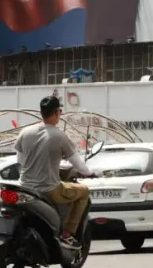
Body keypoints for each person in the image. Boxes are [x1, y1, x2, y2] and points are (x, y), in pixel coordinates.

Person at [14, 95, 94, 250]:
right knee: (83, 191)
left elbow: (20, 161)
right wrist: (89, 173)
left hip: (25, 188)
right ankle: (67, 234)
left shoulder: (25, 132)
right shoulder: (59, 136)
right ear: (57, 112)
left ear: (41, 112)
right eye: (60, 111)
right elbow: (77, 163)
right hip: (49, 189)